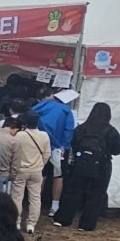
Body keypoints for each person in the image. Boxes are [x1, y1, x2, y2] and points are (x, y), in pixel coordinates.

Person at [54, 102, 120, 232]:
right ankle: (86, 224)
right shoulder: (111, 131)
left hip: (80, 165)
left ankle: (63, 219)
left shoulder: (81, 128)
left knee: (73, 192)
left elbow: (73, 144)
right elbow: (118, 150)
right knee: (96, 195)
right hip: (102, 168)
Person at [32, 88, 79, 218]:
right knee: (58, 176)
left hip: (40, 147)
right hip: (60, 149)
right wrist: (64, 145)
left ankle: (36, 204)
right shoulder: (65, 109)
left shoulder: (35, 109)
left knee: (41, 175)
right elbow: (69, 129)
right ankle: (55, 206)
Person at [10, 113, 51, 233]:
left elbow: (14, 151)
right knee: (35, 198)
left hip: (21, 170)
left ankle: (17, 222)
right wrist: (40, 164)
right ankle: (31, 224)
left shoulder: (20, 135)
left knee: (17, 197)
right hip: (37, 170)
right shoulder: (44, 135)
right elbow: (47, 153)